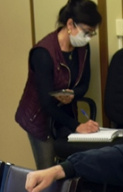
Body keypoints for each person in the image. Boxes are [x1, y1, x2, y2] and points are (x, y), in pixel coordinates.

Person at [15, 0, 101, 170]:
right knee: (47, 171)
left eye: (92, 33)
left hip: (64, 114)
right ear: (70, 24)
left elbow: (84, 84)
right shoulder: (43, 53)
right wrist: (77, 126)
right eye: (86, 32)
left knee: (70, 167)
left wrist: (73, 95)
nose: (88, 38)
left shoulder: (83, 48)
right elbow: (46, 103)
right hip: (38, 117)